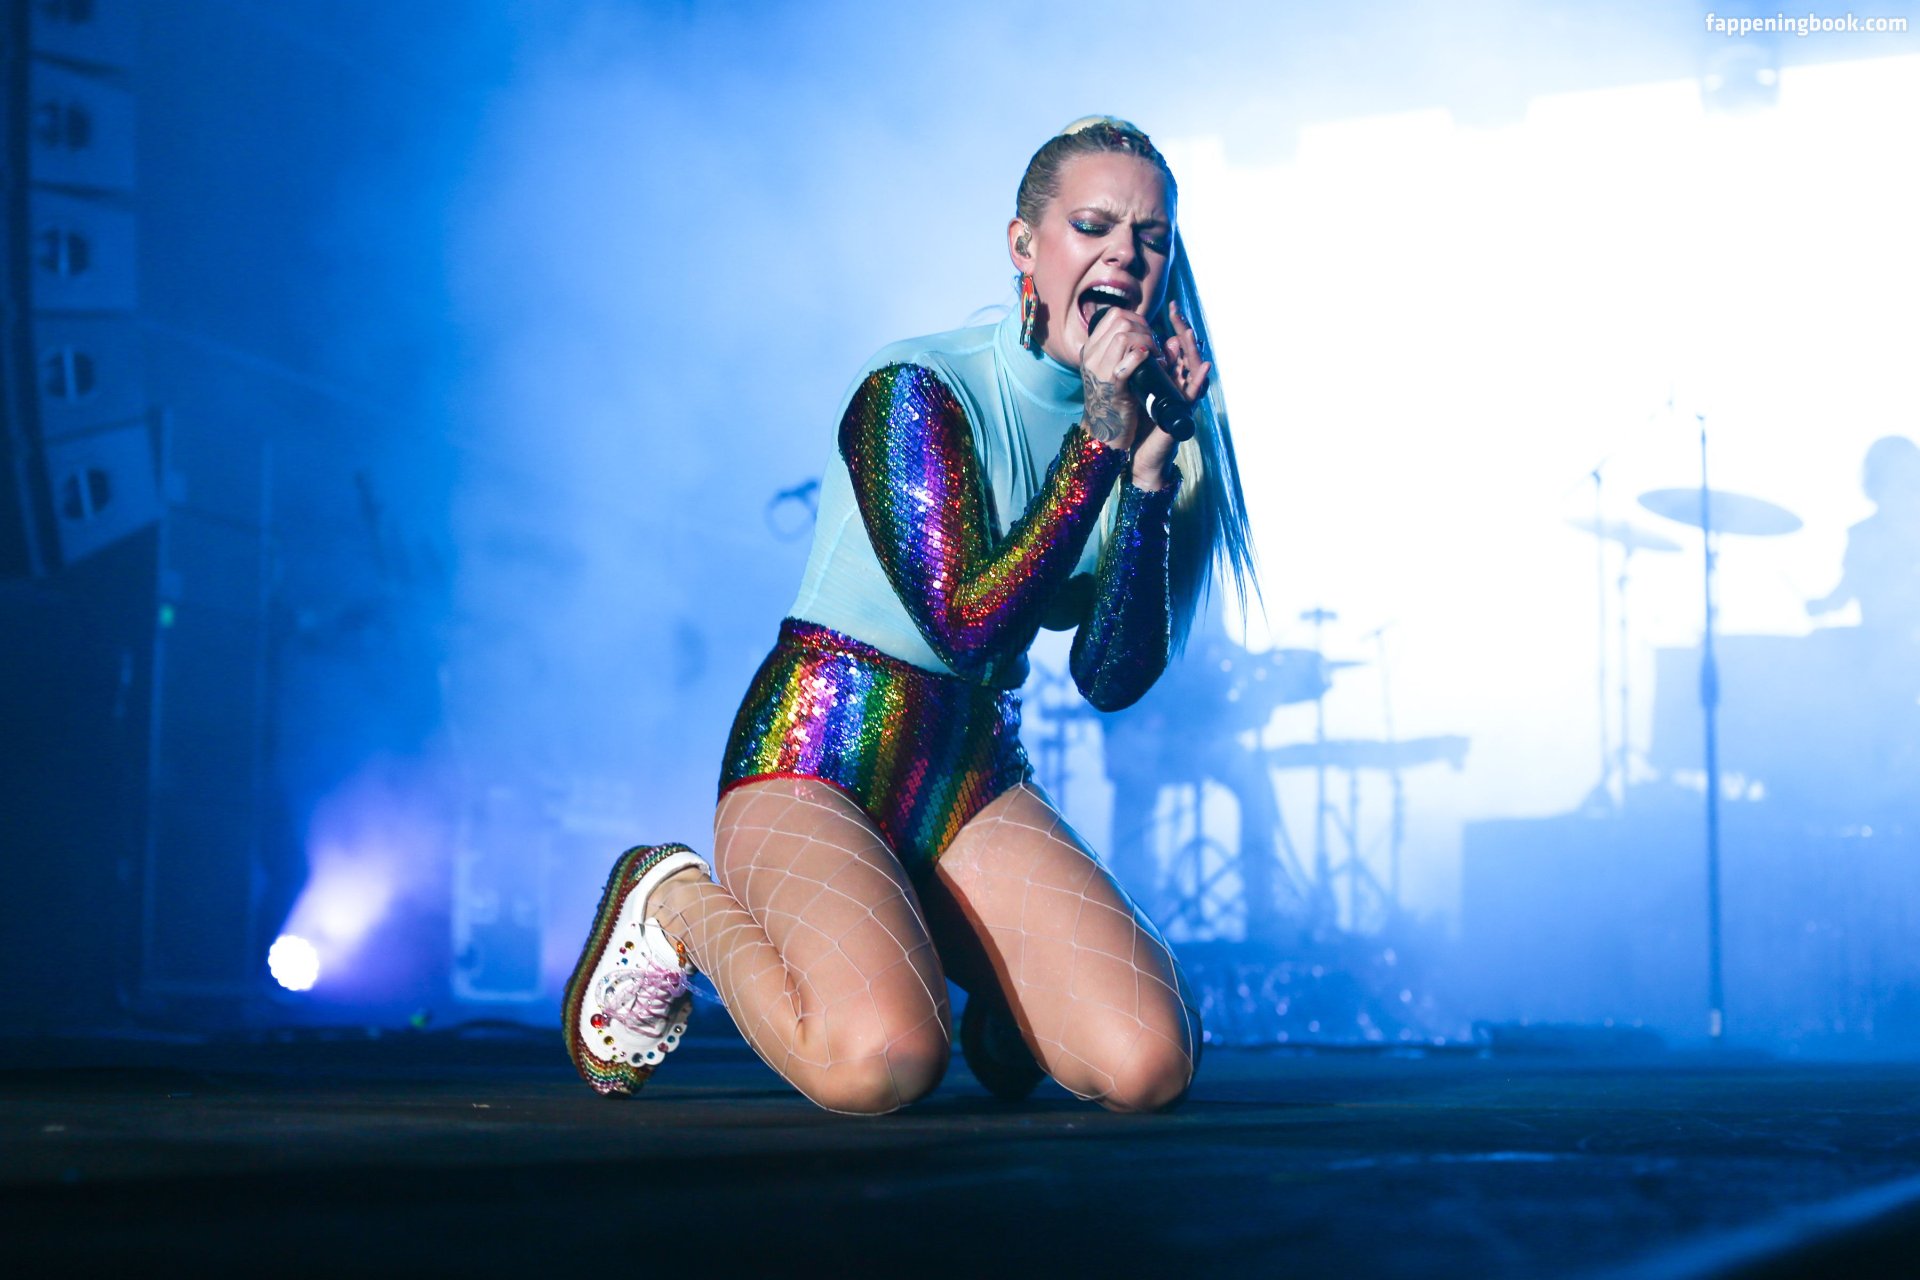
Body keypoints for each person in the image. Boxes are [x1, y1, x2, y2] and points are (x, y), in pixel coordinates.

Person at [563, 116, 1257, 1115]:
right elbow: (966, 628)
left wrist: (1146, 479)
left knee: (1148, 1064)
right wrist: (1100, 447)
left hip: (967, 776)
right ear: (1025, 247)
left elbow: (1109, 679)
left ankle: (1000, 994)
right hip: (814, 759)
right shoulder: (919, 386)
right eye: (1092, 226)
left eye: (1151, 237)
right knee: (879, 1061)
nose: (1123, 255)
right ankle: (670, 900)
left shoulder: (1146, 430)